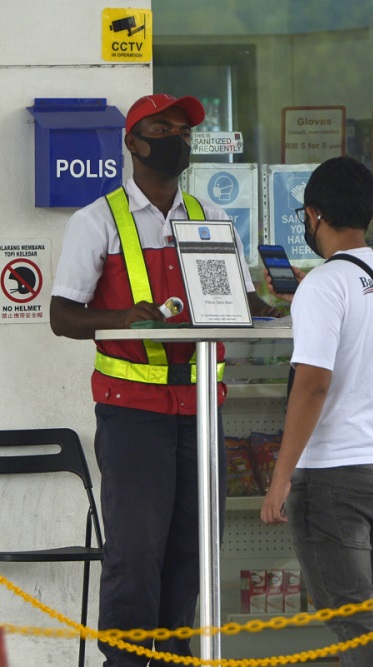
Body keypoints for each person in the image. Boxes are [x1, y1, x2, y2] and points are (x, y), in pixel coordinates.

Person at [50, 93, 280, 666]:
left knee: (193, 553)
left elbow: (235, 299)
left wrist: (270, 304)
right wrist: (118, 317)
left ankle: (178, 660)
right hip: (133, 412)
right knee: (134, 553)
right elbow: (62, 316)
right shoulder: (96, 220)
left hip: (201, 410)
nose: (176, 138)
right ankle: (125, 663)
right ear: (132, 142)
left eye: (183, 130)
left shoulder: (211, 218)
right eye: (162, 128)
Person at [260, 156, 373, 667]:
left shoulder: (324, 286)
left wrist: (281, 477)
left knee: (353, 620)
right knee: (370, 614)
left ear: (314, 215)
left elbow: (312, 387)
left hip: (335, 477)